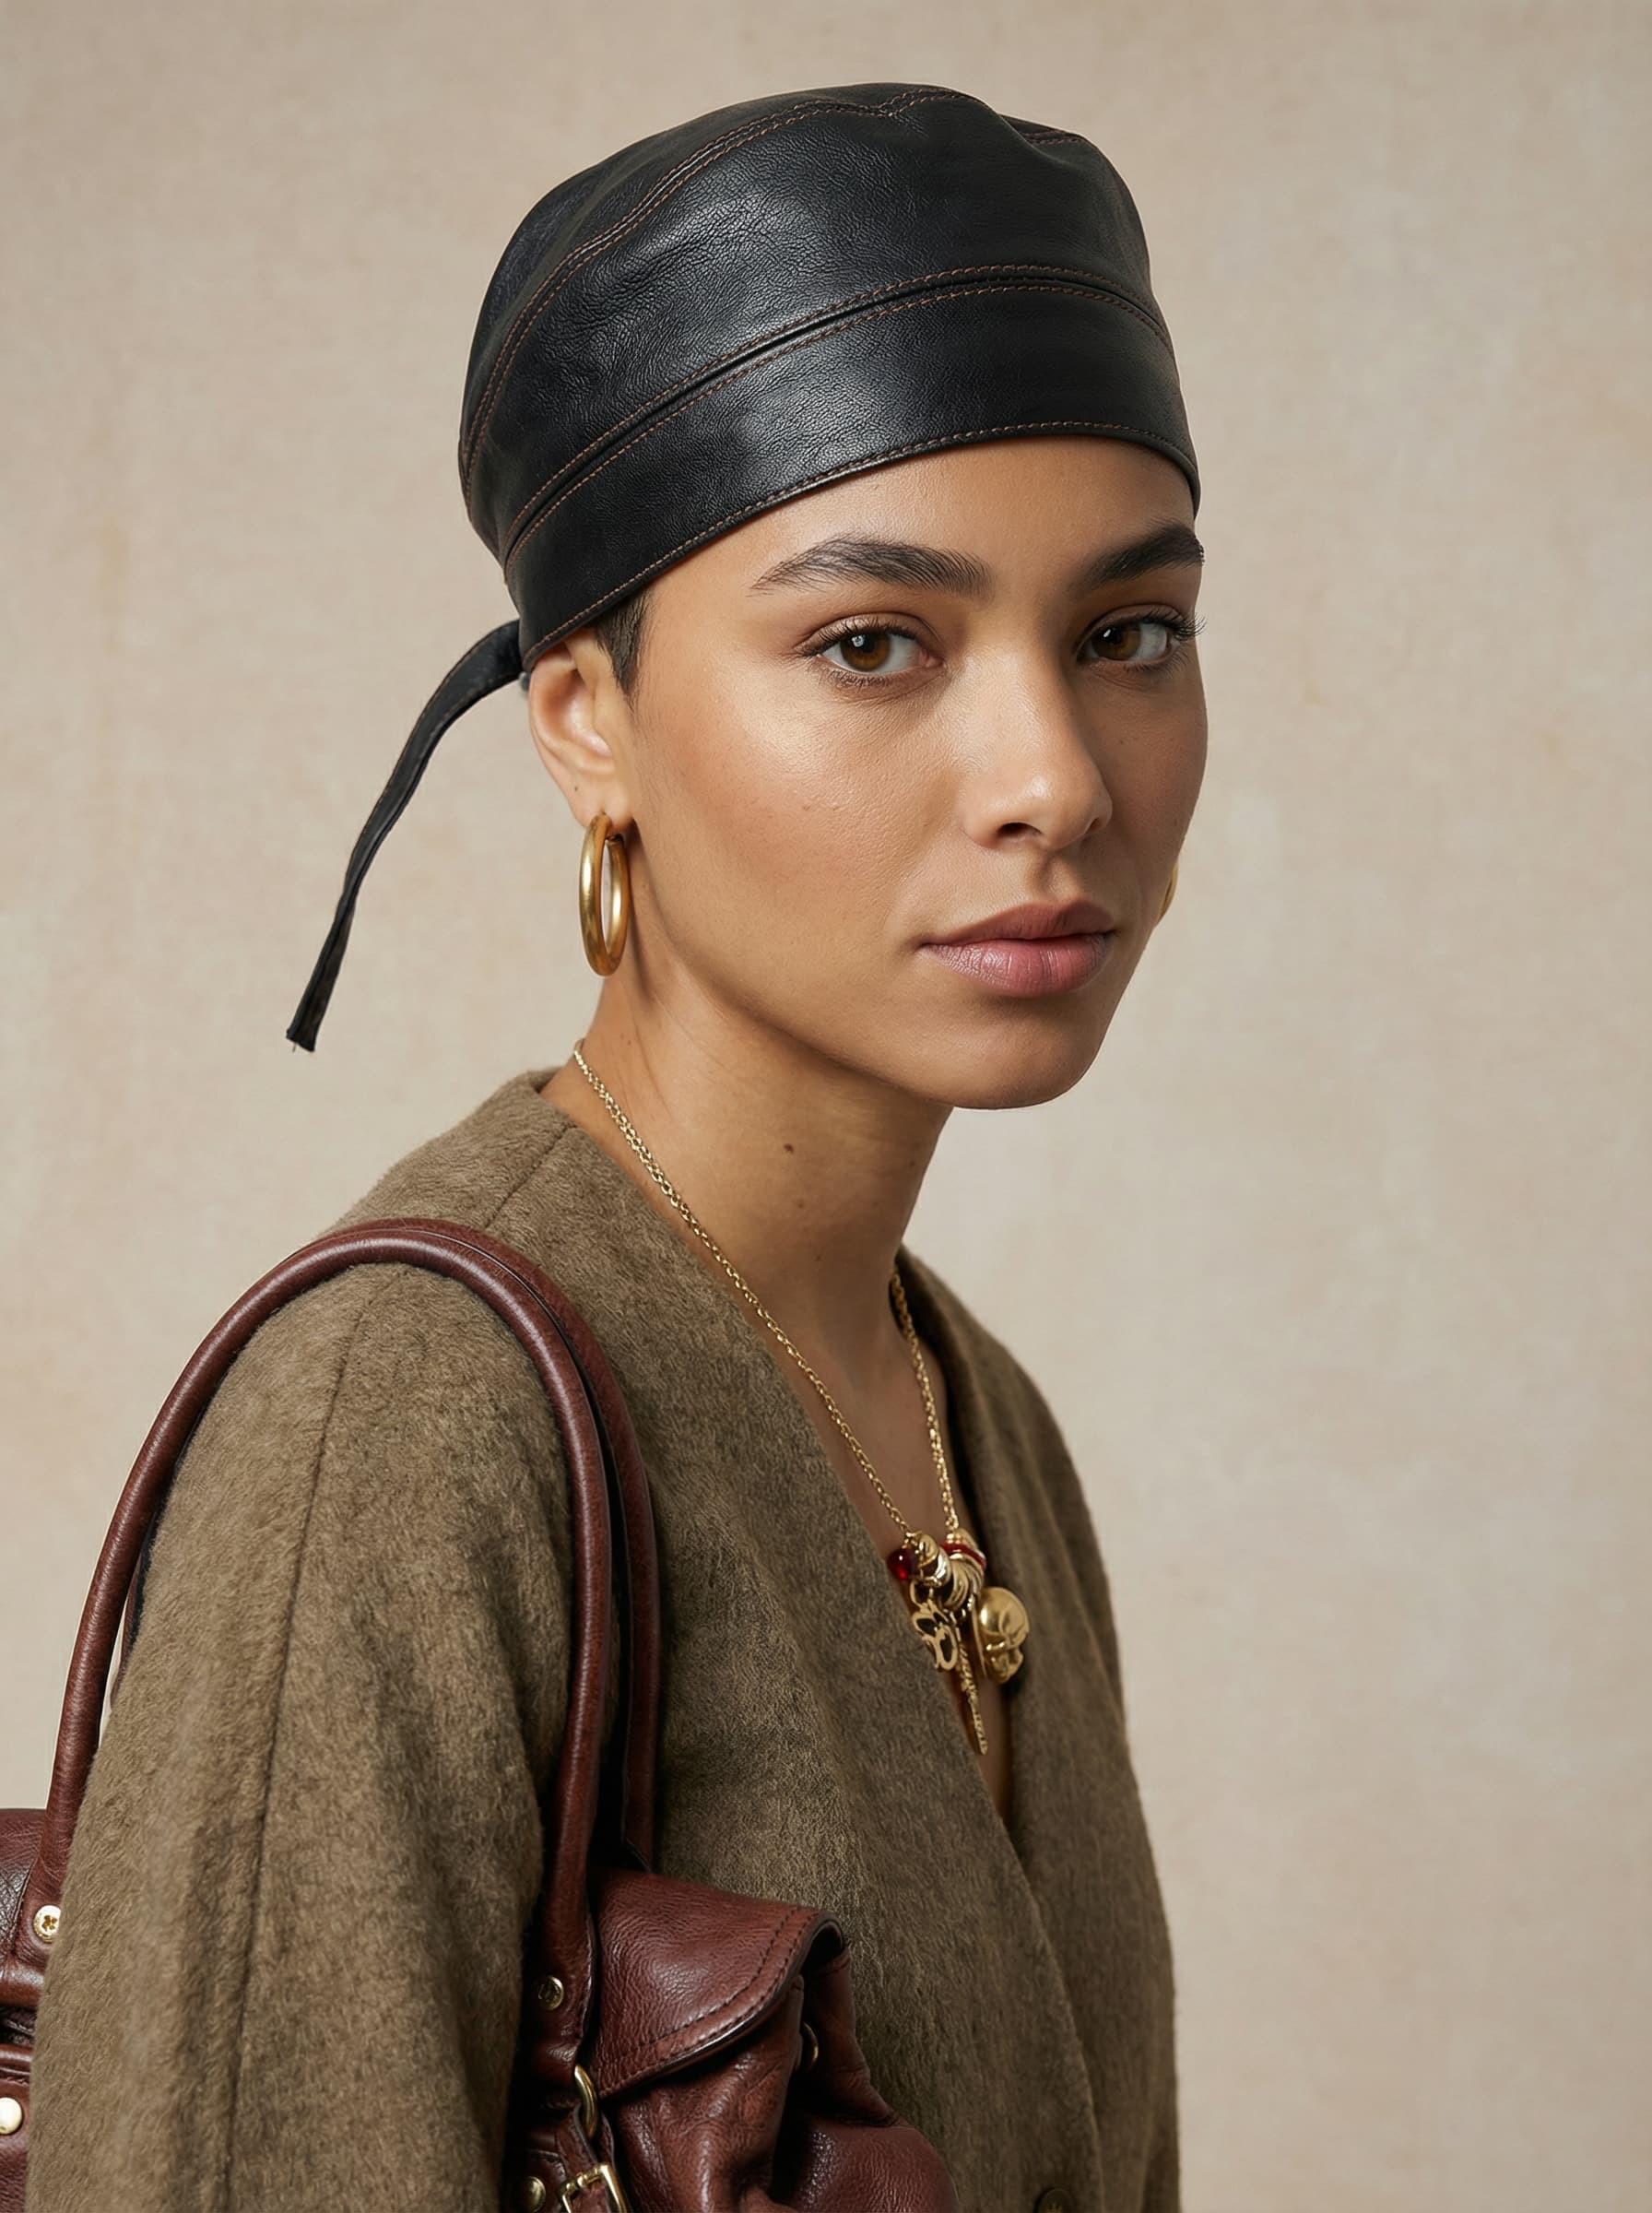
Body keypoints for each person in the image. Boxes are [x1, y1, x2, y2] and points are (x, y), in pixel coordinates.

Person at [25, 80, 1205, 2212]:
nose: (1051, 773)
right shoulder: (403, 1421)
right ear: (585, 721)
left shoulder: (971, 1415)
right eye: (873, 645)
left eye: (1125, 633)